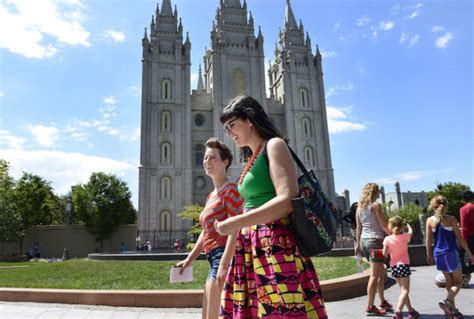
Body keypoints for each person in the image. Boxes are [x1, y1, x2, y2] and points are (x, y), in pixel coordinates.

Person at [214, 95, 327, 318]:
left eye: (232, 125)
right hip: (251, 246)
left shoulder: (274, 145)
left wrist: (234, 222)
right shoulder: (251, 158)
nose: (228, 133)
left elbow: (287, 200)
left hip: (274, 244)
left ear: (250, 120)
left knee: (279, 310)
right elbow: (248, 209)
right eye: (226, 128)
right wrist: (226, 258)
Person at [177, 137, 243, 319]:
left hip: (224, 258)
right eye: (205, 157)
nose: (207, 161)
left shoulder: (231, 190)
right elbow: (206, 231)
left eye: (212, 157)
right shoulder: (211, 196)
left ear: (225, 162)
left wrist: (224, 264)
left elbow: (236, 228)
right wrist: (189, 259)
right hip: (212, 259)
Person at [425, 195, 474, 318]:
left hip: (438, 253)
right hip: (451, 253)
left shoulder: (429, 220)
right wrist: (469, 253)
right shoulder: (451, 219)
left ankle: (452, 311)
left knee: (449, 282)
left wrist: (428, 255)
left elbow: (428, 240)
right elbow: (460, 238)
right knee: (458, 282)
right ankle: (447, 301)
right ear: (446, 205)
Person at [355, 182, 392, 316]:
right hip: (375, 242)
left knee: (381, 272)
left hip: (364, 241)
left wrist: (357, 245)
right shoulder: (375, 206)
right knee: (375, 275)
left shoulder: (359, 208)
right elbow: (383, 225)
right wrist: (395, 235)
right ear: (375, 192)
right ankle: (370, 306)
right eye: (378, 192)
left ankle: (382, 301)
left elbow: (358, 228)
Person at [382, 216, 419, 319]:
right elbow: (411, 232)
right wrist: (409, 226)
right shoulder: (405, 237)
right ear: (402, 226)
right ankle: (398, 311)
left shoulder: (387, 239)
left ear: (390, 226)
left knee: (403, 290)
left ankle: (411, 311)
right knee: (405, 290)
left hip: (394, 266)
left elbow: (384, 254)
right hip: (404, 265)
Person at [459, 190, 474, 285]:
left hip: (470, 238)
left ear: (463, 199)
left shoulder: (464, 209)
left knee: (463, 257)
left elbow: (464, 228)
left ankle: (464, 279)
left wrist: (462, 242)